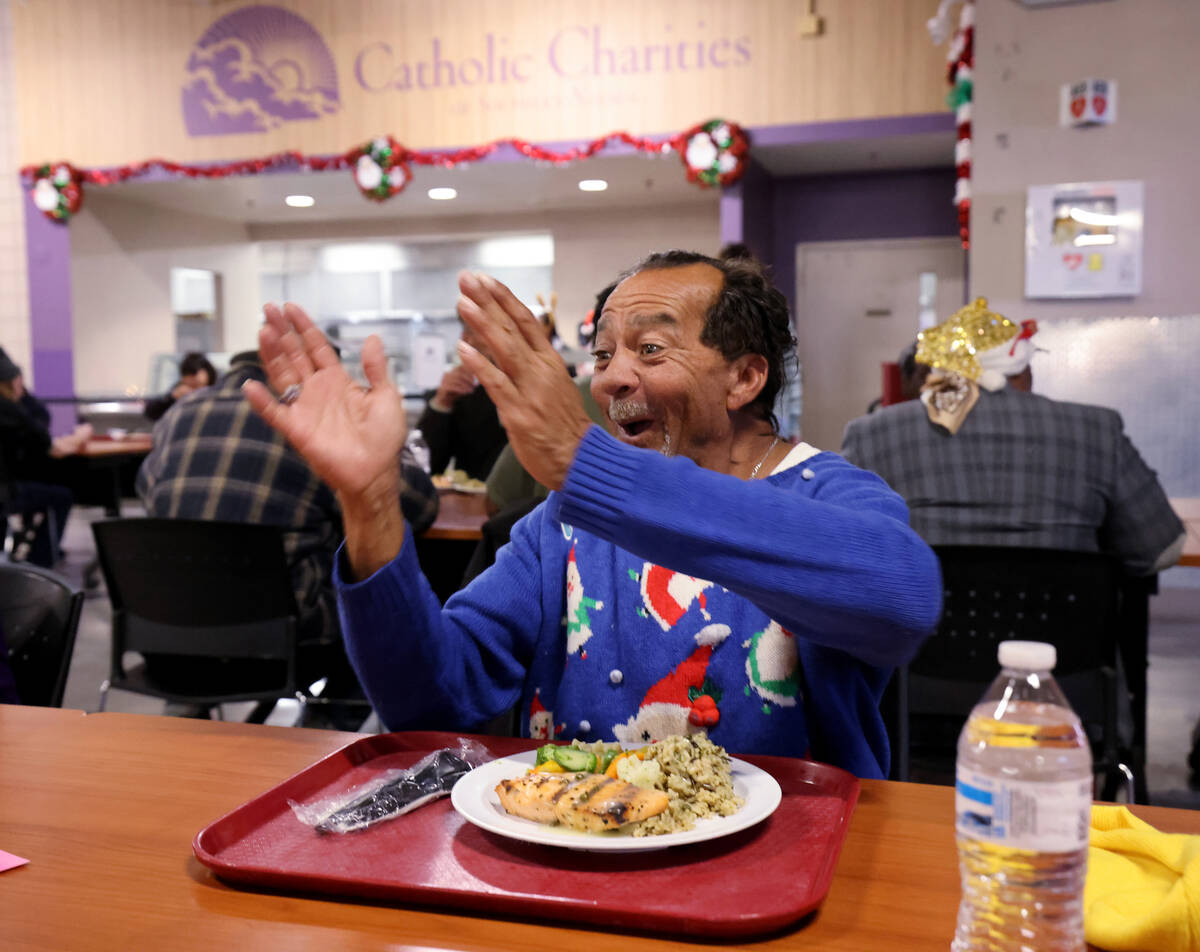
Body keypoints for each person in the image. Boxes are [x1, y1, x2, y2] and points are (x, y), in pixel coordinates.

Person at [245, 252, 942, 778]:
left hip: (779, 876)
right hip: (571, 863)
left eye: (649, 349)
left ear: (745, 377)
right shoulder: (563, 525)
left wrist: (588, 467)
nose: (608, 379)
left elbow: (902, 593)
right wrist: (370, 507)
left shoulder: (826, 494)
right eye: (603, 354)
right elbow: (432, 703)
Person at [137, 348, 439, 722]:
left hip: (164, 638)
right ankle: (318, 740)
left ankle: (188, 721)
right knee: (380, 617)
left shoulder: (177, 415)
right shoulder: (308, 423)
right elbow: (422, 507)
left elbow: (147, 490)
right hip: (285, 643)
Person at [841, 297, 1185, 576]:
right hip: (1065, 655)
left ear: (940, 371)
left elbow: (842, 555)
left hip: (917, 656)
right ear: (1023, 369)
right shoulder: (1097, 429)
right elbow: (1160, 552)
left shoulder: (872, 434)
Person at [0, 348, 91, 566]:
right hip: (4, 492)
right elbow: (46, 441)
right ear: (12, 382)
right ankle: (40, 565)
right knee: (61, 497)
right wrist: (80, 436)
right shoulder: (8, 407)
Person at [416, 314, 508, 481]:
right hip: (471, 502)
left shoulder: (536, 389)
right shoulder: (463, 393)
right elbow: (424, 468)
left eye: (473, 331)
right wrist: (442, 403)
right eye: (466, 331)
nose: (465, 340)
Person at [143, 352, 217, 422]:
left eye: (199, 385)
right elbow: (151, 412)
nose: (196, 391)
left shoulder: (217, 390)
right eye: (191, 386)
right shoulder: (180, 390)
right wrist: (172, 398)